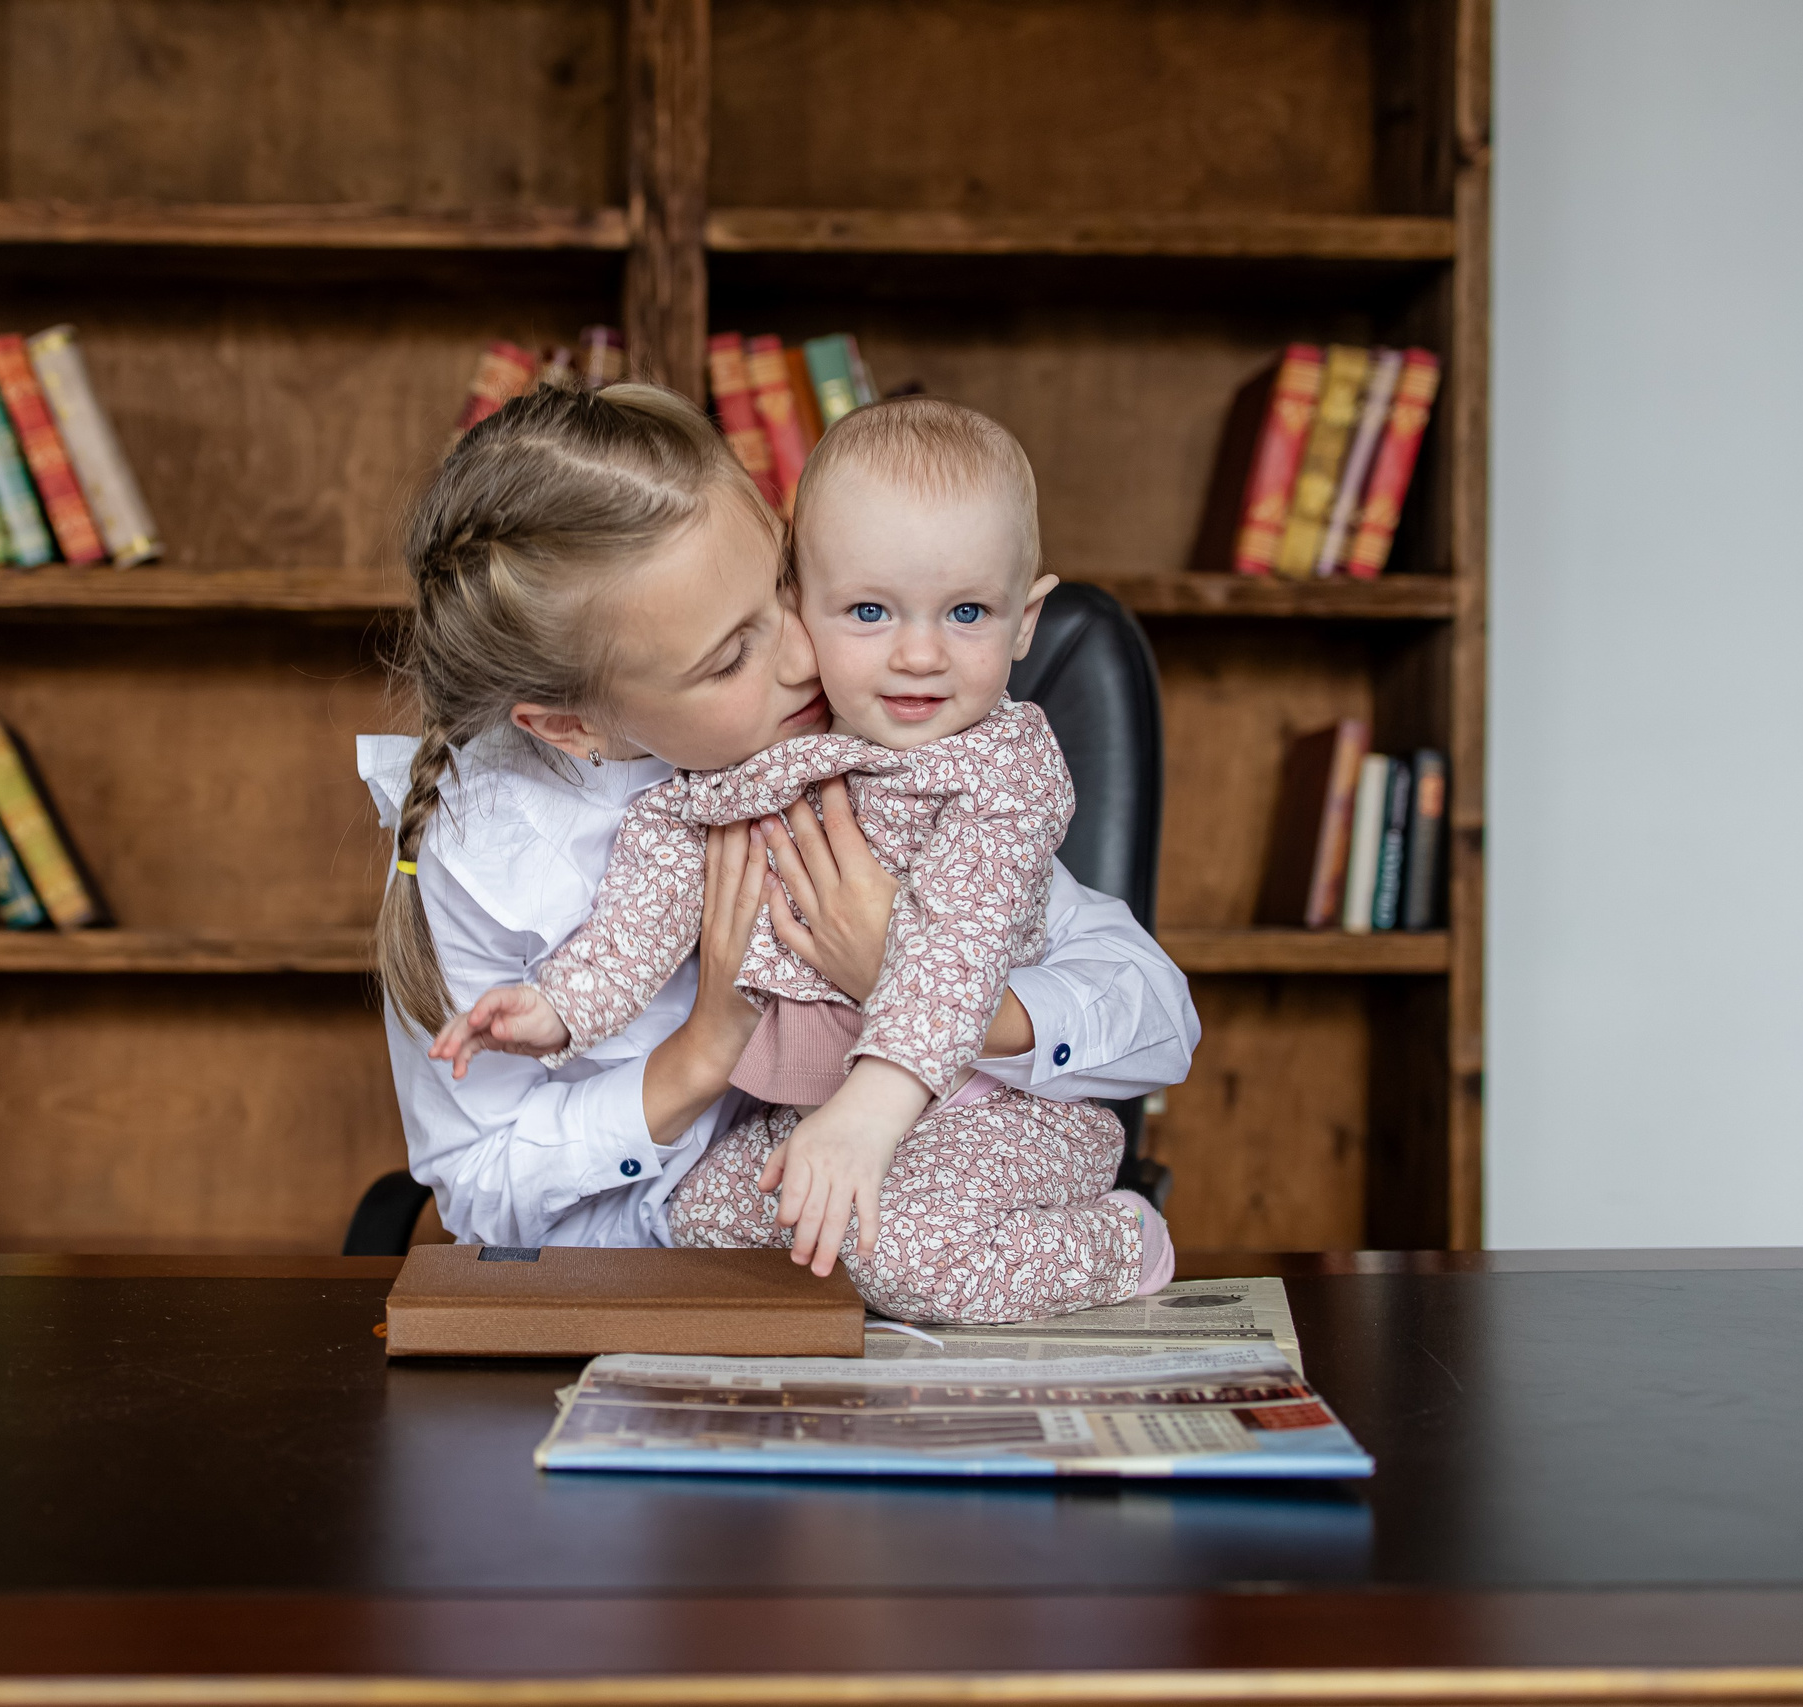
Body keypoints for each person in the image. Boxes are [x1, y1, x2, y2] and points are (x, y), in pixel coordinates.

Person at [356, 382, 1197, 1303]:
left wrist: (903, 977)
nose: (805, 657)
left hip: (936, 1139)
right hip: (693, 1248)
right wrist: (693, 1054)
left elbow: (1155, 1015)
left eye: (786, 591)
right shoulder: (488, 859)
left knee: (900, 1243)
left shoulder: (881, 740)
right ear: (572, 725)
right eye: (729, 657)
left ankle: (1119, 1246)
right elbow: (483, 1190)